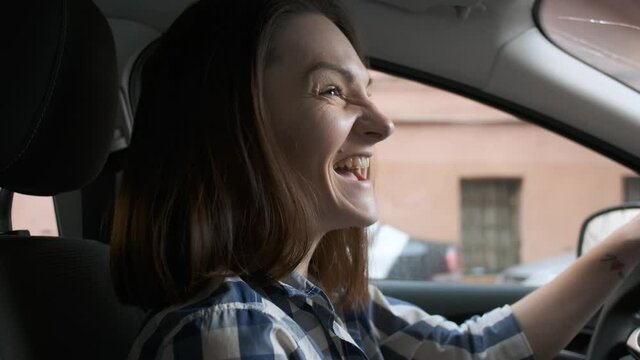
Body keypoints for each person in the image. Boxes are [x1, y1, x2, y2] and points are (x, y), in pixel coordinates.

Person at [110, 0, 640, 359]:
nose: (382, 125)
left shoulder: (328, 300)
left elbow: (470, 352)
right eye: (333, 92)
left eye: (366, 89)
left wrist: (626, 241)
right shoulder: (231, 330)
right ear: (232, 128)